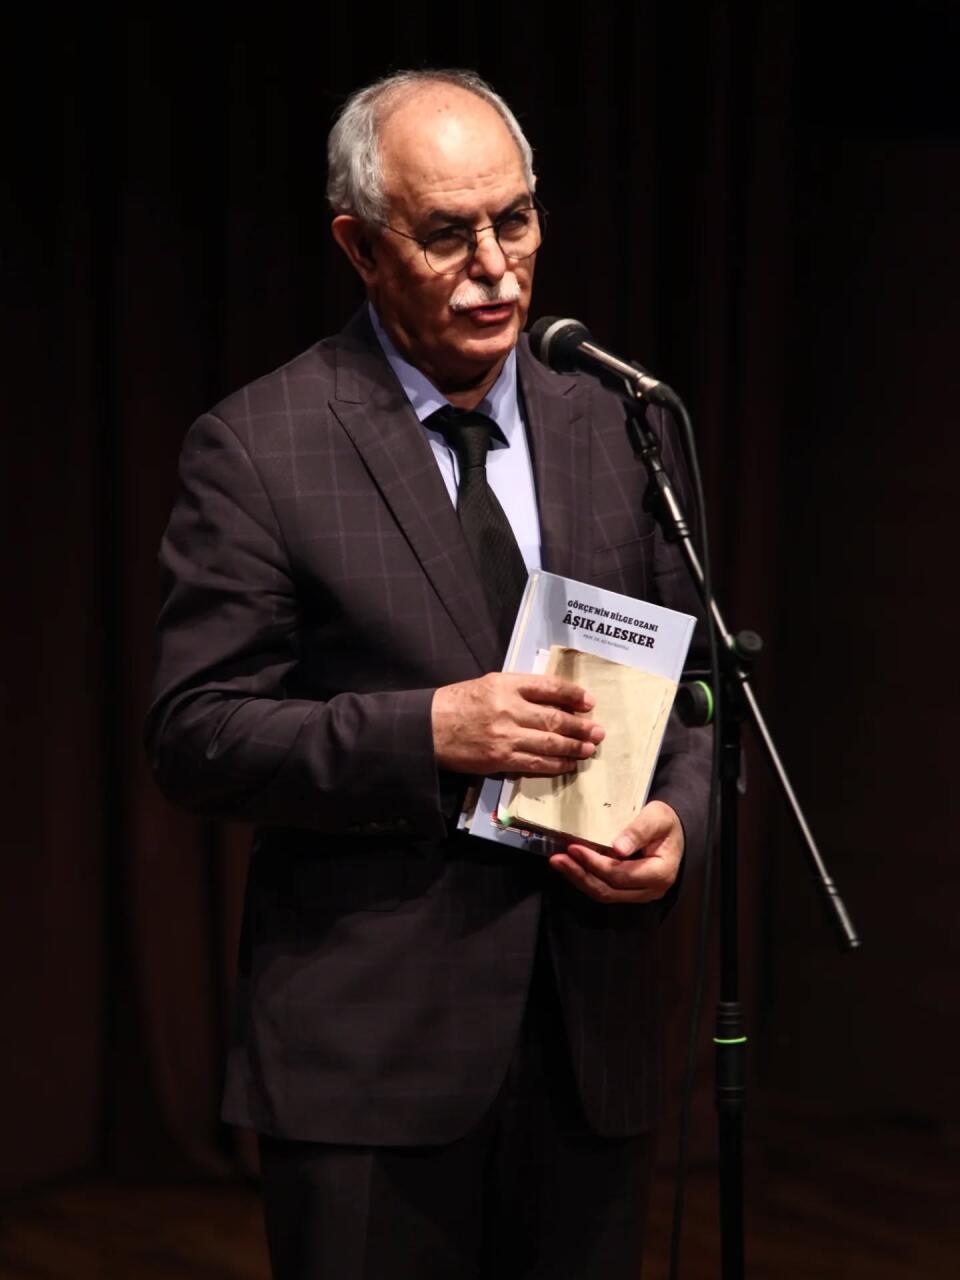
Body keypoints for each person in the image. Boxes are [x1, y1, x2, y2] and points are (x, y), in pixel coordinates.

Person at [146, 68, 710, 1280]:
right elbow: (196, 731)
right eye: (449, 234)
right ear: (360, 246)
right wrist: (429, 731)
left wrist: (679, 818)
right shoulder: (260, 445)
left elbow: (702, 690)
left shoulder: (622, 425)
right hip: (371, 1058)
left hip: (589, 1045)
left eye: (517, 220)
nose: (497, 268)